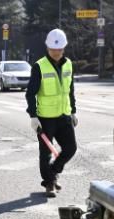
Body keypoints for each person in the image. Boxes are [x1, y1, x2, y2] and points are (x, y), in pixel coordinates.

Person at [25, 28, 78, 198]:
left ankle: (53, 172)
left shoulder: (68, 64)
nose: (56, 52)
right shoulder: (39, 66)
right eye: (53, 49)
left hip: (63, 115)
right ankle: (49, 183)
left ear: (64, 48)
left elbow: (70, 90)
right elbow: (30, 93)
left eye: (59, 49)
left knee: (71, 148)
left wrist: (73, 111)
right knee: (46, 153)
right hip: (45, 118)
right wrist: (33, 116)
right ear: (48, 48)